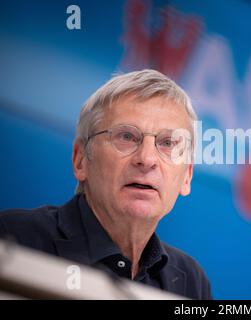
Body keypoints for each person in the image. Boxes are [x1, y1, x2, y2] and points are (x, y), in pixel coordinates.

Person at [0, 69, 212, 299]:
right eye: (127, 136)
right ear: (80, 159)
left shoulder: (189, 281)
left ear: (187, 176)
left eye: (168, 142)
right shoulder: (14, 238)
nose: (147, 159)